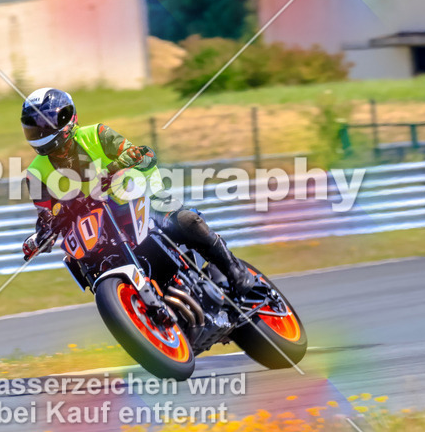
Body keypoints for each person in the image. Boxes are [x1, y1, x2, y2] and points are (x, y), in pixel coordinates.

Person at [19, 87, 254, 297]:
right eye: (34, 126)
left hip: (137, 197)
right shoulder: (35, 174)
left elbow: (145, 155)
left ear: (66, 117)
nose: (41, 131)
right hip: (98, 225)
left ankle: (234, 269)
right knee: (79, 259)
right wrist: (40, 237)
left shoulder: (96, 134)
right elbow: (46, 216)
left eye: (46, 123)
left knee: (185, 220)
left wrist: (116, 167)